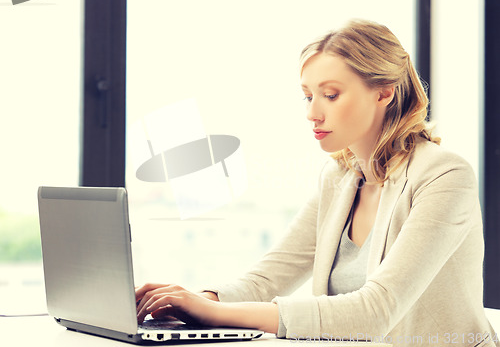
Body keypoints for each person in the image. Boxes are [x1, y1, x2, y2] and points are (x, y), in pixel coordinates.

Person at [135, 19, 498, 346]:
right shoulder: (339, 178)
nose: (312, 113)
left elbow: (375, 312)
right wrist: (194, 301)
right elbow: (267, 280)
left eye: (331, 95)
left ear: (384, 92)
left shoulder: (445, 176)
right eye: (308, 96)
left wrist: (214, 314)